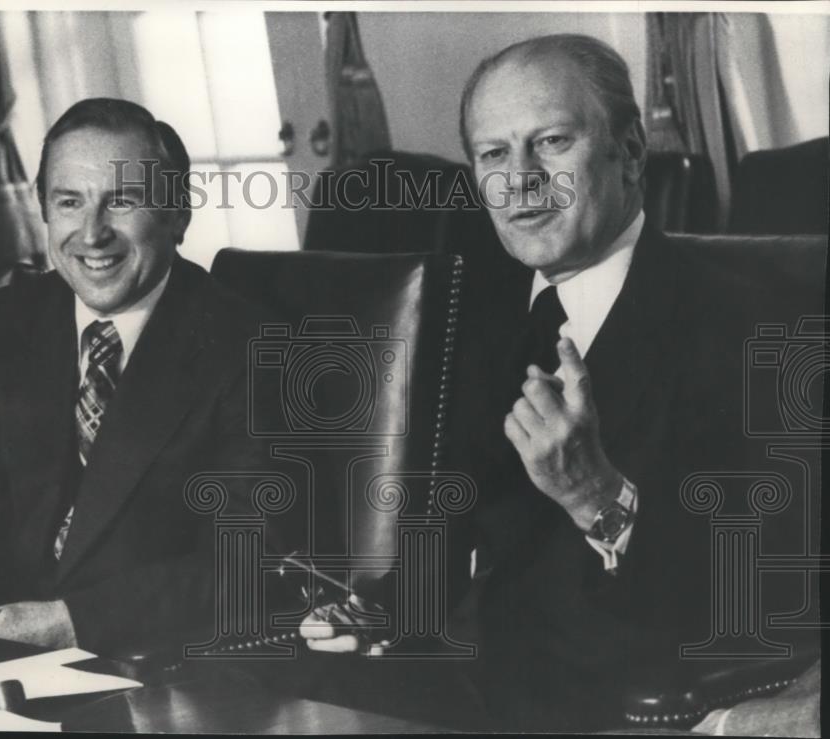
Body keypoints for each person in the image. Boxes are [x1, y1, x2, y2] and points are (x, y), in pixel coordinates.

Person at [303, 34, 816, 730]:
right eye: (493, 154)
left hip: (622, 702)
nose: (520, 180)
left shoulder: (754, 323)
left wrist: (599, 497)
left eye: (550, 142)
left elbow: (768, 592)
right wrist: (383, 608)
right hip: (469, 686)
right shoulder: (478, 312)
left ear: (629, 153)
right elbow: (454, 527)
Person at [0, 98, 267, 656]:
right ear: (44, 212)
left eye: (122, 202)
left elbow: (250, 563)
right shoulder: (0, 324)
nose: (91, 233)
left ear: (178, 214)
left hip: (156, 660)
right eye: (69, 202)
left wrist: (69, 622)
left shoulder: (247, 344)